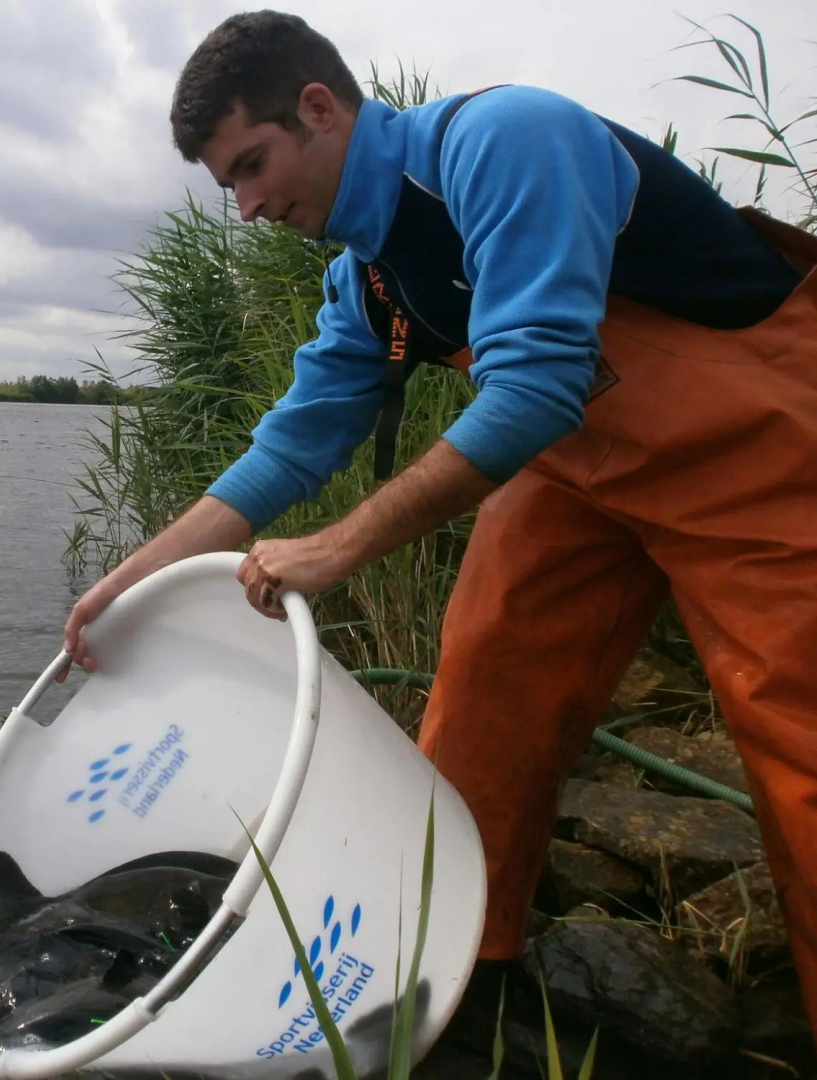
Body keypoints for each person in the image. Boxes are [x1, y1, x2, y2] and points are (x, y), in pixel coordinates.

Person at [60, 9, 817, 1042]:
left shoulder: (505, 142)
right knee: (486, 673)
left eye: (250, 164)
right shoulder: (367, 278)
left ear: (319, 108)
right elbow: (290, 448)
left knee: (797, 730)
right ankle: (468, 976)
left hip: (764, 443)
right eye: (223, 185)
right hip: (587, 470)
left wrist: (335, 548)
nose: (242, 207)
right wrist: (129, 587)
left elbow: (540, 385)